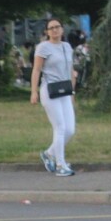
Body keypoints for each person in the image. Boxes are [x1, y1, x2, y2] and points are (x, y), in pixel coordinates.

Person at [31, 19, 78, 177]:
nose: (55, 30)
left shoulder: (67, 47)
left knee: (70, 130)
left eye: (57, 27)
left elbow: (70, 70)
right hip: (50, 90)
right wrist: (34, 91)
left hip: (65, 89)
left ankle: (49, 153)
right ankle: (60, 164)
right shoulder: (43, 47)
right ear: (47, 32)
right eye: (51, 28)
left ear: (62, 29)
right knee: (60, 127)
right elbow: (36, 70)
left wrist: (72, 91)